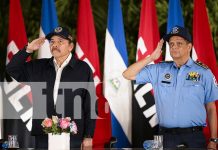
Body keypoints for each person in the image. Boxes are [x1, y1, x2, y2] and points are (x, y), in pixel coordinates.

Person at [123, 25, 218, 149]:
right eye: (171, 44)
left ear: (189, 47)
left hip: (193, 138)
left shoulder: (204, 72)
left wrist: (214, 139)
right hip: (165, 137)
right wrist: (151, 58)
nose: (174, 47)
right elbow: (127, 74)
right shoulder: (159, 69)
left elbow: (211, 108)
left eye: (179, 43)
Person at [6, 26, 96, 149]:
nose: (55, 44)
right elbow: (12, 69)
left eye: (60, 41)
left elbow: (90, 105)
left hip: (73, 136)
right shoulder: (38, 66)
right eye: (52, 41)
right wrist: (28, 49)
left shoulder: (83, 69)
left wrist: (88, 136)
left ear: (70, 46)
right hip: (43, 136)